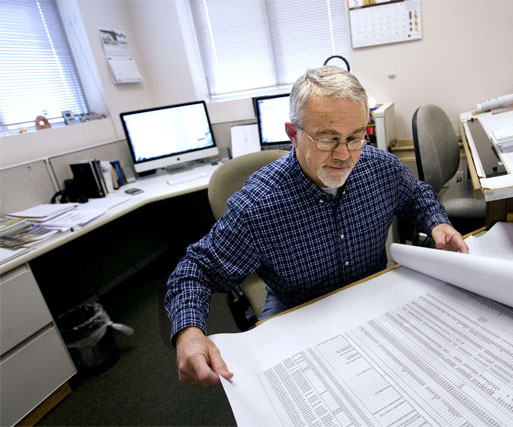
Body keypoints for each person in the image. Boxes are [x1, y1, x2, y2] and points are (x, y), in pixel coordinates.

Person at [165, 66, 468, 387]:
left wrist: (437, 224)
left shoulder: (379, 167)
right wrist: (189, 332)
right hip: (298, 311)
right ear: (293, 134)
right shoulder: (259, 204)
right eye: (327, 139)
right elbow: (194, 270)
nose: (344, 155)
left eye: (354, 138)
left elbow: (416, 193)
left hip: (371, 298)